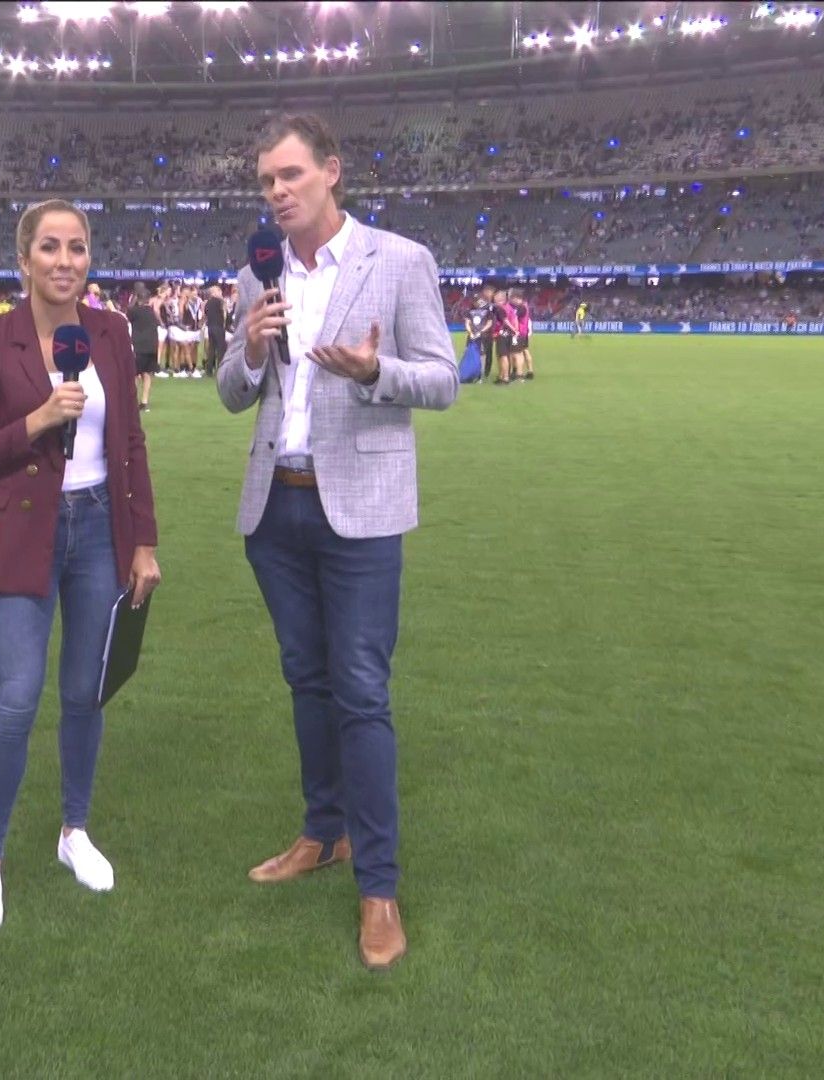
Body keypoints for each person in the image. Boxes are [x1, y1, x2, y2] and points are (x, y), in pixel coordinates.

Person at [216, 113, 457, 972]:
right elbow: (231, 392)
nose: (276, 191)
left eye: (290, 175)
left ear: (331, 172)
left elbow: (444, 378)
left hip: (359, 513)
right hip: (276, 511)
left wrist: (374, 372)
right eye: (266, 181)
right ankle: (324, 832)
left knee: (360, 690)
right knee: (306, 679)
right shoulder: (257, 274)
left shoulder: (399, 260)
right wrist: (249, 350)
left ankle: (379, 888)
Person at [0, 199, 161, 934]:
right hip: (23, 531)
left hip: (101, 528)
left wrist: (144, 542)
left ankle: (74, 830)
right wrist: (39, 420)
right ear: (24, 259)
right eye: (49, 246)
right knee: (17, 697)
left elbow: (130, 444)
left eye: (77, 247)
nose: (65, 260)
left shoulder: (110, 332)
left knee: (83, 695)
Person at [126, 283, 159, 413]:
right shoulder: (151, 311)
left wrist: (133, 298)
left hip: (139, 346)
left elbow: (128, 312)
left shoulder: (134, 311)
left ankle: (133, 401)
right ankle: (144, 401)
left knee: (134, 374)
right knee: (147, 374)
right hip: (152, 345)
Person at [203, 283, 227, 377]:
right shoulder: (220, 302)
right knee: (221, 348)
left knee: (211, 349)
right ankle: (220, 370)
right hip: (218, 327)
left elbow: (205, 313)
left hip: (210, 327)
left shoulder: (208, 303)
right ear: (214, 293)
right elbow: (224, 314)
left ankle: (209, 370)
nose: (221, 293)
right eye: (219, 291)